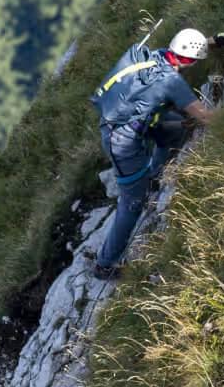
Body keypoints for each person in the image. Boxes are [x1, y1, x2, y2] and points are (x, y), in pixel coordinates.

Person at [86, 27, 217, 281]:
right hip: (123, 142)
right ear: (190, 61)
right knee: (132, 203)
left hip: (130, 124)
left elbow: (184, 52)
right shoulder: (172, 81)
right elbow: (204, 116)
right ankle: (105, 264)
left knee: (175, 130)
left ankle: (156, 174)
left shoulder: (153, 56)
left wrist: (213, 41)